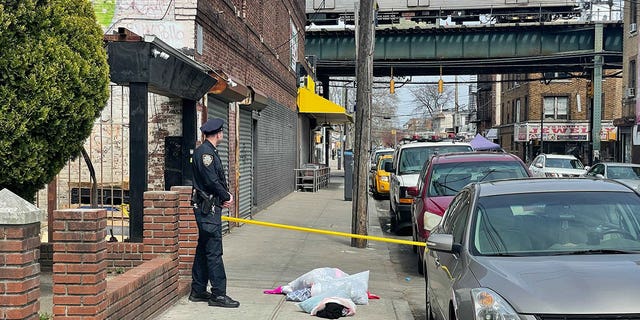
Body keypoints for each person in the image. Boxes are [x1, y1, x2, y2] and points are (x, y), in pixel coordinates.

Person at [189, 118, 240, 308]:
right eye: (222, 132)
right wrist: (226, 195)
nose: (222, 134)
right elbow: (211, 181)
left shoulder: (208, 151)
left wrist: (221, 198)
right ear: (218, 133)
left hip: (209, 206)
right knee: (214, 251)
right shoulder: (206, 154)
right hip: (207, 210)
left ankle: (198, 290)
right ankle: (219, 294)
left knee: (204, 249)